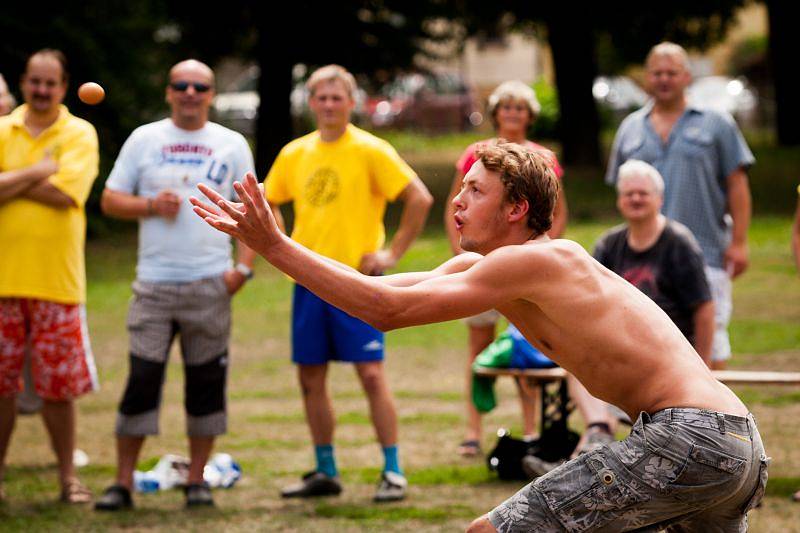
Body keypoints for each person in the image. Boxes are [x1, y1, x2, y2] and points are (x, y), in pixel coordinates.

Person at [192, 140, 767, 532]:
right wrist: (279, 248)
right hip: (735, 444)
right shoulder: (504, 269)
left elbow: (385, 311)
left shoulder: (539, 261)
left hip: (690, 437)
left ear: (518, 207)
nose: (457, 202)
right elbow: (382, 290)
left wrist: (274, 246)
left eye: (473, 191)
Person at [263, 65, 432, 502]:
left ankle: (392, 471)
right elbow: (268, 198)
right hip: (309, 282)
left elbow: (419, 197)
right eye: (321, 97)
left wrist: (391, 254)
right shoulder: (295, 153)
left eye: (337, 97)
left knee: (372, 376)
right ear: (311, 102)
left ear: (352, 103)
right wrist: (280, 243)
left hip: (359, 282)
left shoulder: (371, 149)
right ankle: (325, 471)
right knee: (310, 378)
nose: (329, 104)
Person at [94, 59, 256, 511]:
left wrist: (241, 270)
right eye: (181, 85)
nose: (190, 92)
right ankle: (122, 483)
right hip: (154, 285)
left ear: (210, 95)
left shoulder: (231, 143)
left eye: (199, 86)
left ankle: (198, 481)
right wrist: (148, 205)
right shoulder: (145, 138)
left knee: (205, 383)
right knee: (142, 381)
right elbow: (108, 199)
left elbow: (255, 210)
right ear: (168, 92)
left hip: (210, 282)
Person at [606, 41, 755, 371]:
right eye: (657, 73)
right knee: (644, 345)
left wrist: (740, 242)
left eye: (671, 73)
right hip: (643, 260)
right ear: (647, 78)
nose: (664, 79)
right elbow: (620, 189)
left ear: (687, 76)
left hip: (707, 252)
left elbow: (737, 183)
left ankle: (714, 416)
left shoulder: (717, 123)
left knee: (709, 342)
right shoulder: (630, 128)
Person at [445, 80, 568, 456]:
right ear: (496, 113)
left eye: (520, 108)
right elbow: (458, 203)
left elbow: (555, 212)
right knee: (478, 345)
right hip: (480, 260)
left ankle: (530, 427)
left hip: (524, 263)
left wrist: (535, 252)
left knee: (525, 344)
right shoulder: (478, 154)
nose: (512, 114)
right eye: (506, 107)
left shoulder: (542, 157)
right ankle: (472, 428)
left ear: (529, 116)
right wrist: (463, 251)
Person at [0, 49, 99, 504]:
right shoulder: (2, 129)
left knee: (58, 391)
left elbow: (66, 196)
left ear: (63, 86)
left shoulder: (80, 132)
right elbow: (52, 184)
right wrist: (40, 170)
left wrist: (10, 180)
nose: (41, 90)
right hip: (3, 284)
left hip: (56, 283)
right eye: (34, 81)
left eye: (50, 83)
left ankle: (67, 478)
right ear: (24, 82)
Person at [595, 159, 715, 364]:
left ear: (660, 199)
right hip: (622, 356)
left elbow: (704, 308)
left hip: (674, 356)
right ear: (619, 200)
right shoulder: (608, 245)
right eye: (628, 194)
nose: (635, 199)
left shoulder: (679, 243)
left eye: (643, 193)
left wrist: (704, 367)